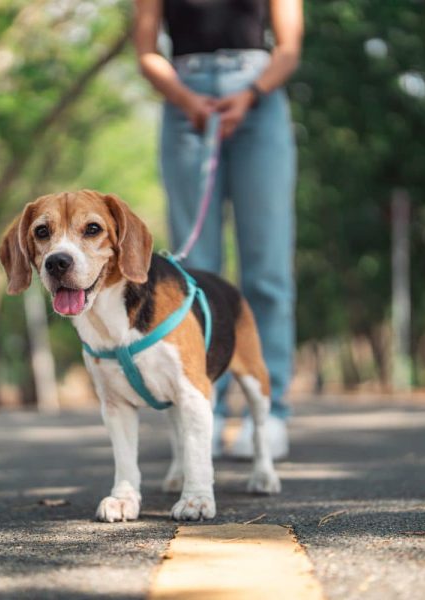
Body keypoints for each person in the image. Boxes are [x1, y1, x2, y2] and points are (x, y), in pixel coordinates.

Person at [134, 0, 303, 460]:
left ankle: (269, 412)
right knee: (195, 275)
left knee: (267, 270)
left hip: (260, 98)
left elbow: (288, 49)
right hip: (184, 101)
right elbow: (147, 52)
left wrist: (249, 95)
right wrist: (188, 100)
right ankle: (202, 409)